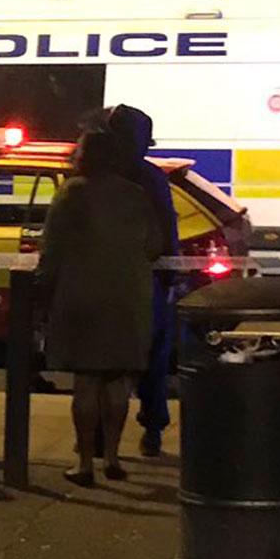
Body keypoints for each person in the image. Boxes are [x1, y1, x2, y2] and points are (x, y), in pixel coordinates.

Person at [36, 130, 169, 487]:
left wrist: (41, 297)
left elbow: (51, 251)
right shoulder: (136, 194)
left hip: (83, 296)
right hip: (129, 296)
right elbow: (155, 244)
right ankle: (112, 456)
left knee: (86, 381)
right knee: (117, 382)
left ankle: (84, 463)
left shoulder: (72, 194)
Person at [106, 104, 182, 457]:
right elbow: (167, 226)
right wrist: (171, 272)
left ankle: (97, 443)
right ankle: (152, 427)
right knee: (151, 356)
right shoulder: (150, 178)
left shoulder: (95, 174)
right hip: (145, 279)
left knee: (105, 364)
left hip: (106, 280)